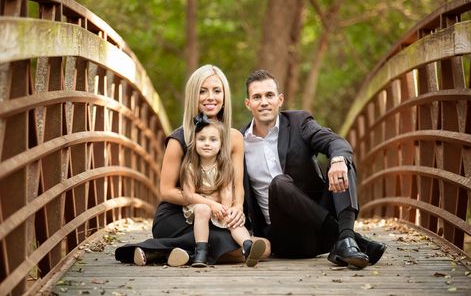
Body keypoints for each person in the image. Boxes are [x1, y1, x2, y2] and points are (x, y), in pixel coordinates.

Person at [115, 64, 270, 266]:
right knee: (227, 243)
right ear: (193, 96)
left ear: (225, 95)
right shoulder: (180, 138)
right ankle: (171, 250)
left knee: (264, 246)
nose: (210, 97)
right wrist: (208, 204)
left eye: (216, 90)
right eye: (202, 91)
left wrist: (237, 208)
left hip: (219, 214)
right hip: (177, 217)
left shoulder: (234, 138)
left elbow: (237, 184)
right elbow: (167, 191)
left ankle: (164, 253)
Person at [241, 69, 386, 269]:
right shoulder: (239, 143)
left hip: (319, 234)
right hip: (286, 239)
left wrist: (337, 161)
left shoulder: (299, 123)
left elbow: (336, 142)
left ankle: (345, 239)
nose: (264, 102)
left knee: (342, 160)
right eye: (257, 97)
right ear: (248, 104)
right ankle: (349, 239)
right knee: (280, 183)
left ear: (280, 99)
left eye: (269, 95)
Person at [180, 115, 266, 267]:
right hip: (199, 204)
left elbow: (227, 191)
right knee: (202, 209)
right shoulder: (190, 167)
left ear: (221, 144)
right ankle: (201, 252)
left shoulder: (225, 166)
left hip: (220, 206)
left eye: (213, 140)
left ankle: (247, 246)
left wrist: (226, 210)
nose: (207, 144)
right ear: (194, 142)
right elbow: (189, 195)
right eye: (202, 139)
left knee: (232, 218)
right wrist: (212, 205)